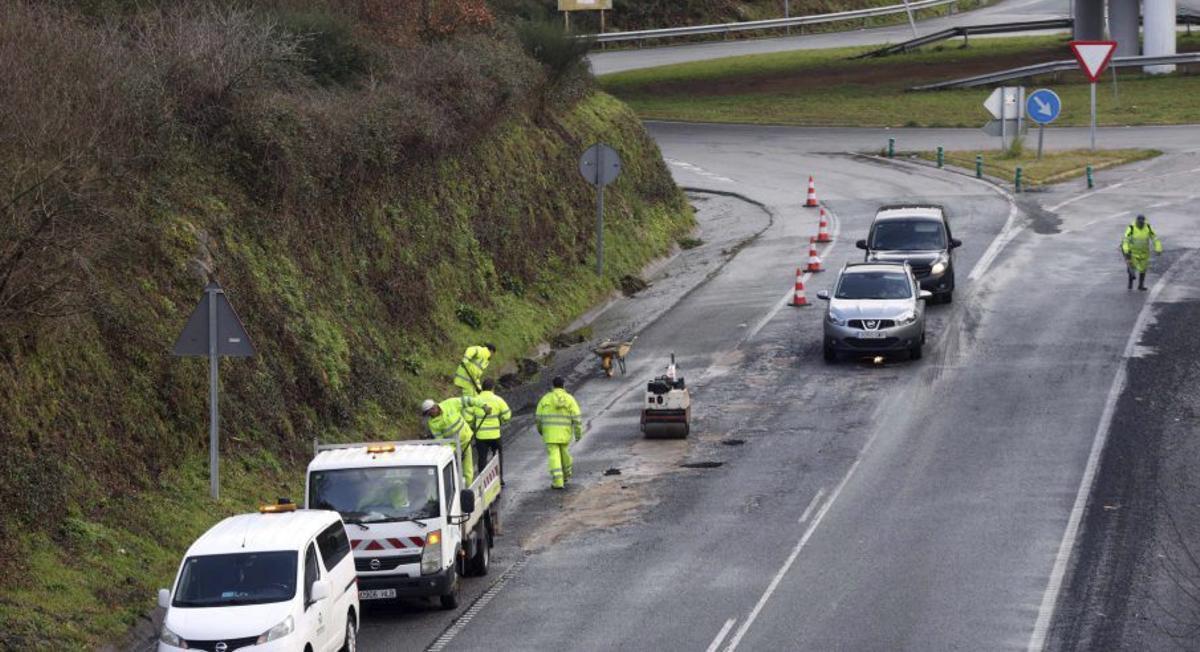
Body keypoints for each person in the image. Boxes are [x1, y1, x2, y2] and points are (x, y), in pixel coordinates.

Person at [421, 396, 487, 484]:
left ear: (434, 407)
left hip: (465, 440)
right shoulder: (432, 423)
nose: (430, 415)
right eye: (428, 414)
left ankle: (468, 489)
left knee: (467, 470)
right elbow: (441, 441)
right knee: (451, 469)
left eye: (430, 412)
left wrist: (483, 405)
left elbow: (468, 400)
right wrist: (455, 452)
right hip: (453, 446)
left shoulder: (450, 404)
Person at [535, 377, 583, 490]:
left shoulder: (545, 399)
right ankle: (566, 474)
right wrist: (578, 434)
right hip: (565, 434)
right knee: (565, 453)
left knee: (554, 456)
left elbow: (538, 419)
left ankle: (558, 481)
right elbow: (577, 418)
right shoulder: (569, 399)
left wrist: (541, 431)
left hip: (550, 434)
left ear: (553, 386)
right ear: (563, 385)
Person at [473, 379, 511, 485]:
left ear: (482, 388)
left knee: (482, 458)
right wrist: (501, 420)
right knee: (497, 456)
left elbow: (469, 417)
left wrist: (474, 423)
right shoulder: (498, 400)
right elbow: (507, 415)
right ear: (493, 388)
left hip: (481, 436)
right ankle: (499, 479)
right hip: (495, 435)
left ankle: (483, 482)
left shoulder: (475, 400)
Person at [1121, 214, 1163, 291]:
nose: (1141, 224)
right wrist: (1126, 250)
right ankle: (1130, 283)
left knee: (1143, 269)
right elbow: (1125, 240)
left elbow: (1155, 239)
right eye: (1139, 222)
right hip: (1133, 252)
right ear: (1136, 221)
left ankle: (1141, 285)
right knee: (1132, 267)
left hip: (1144, 252)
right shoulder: (1131, 228)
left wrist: (1158, 248)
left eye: (1142, 222)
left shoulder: (1148, 227)